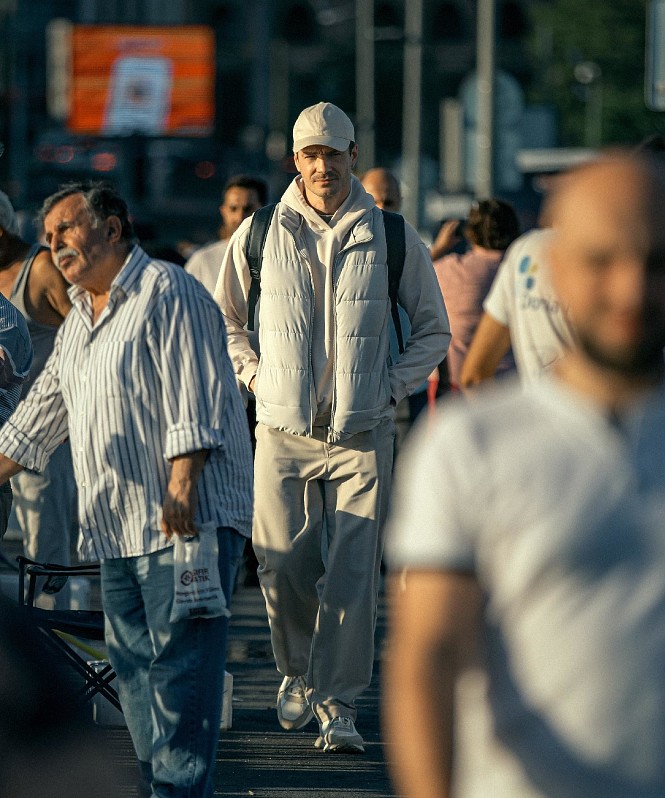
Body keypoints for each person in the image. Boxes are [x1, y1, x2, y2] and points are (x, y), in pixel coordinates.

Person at [383, 152, 665, 798]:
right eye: (601, 261)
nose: (630, 288)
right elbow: (427, 658)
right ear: (554, 270)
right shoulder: (471, 446)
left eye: (655, 262)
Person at [0, 181, 254, 798]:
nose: (53, 243)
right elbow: (37, 418)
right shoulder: (80, 320)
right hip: (117, 531)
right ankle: (159, 786)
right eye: (48, 233)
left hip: (184, 522)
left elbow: (196, 395)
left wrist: (182, 483)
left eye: (67, 228)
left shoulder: (168, 290)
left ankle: (177, 792)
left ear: (113, 228)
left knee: (182, 671)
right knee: (135, 672)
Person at [216, 101, 450, 753]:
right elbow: (225, 318)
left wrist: (390, 386)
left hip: (361, 432)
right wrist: (256, 378)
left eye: (333, 153)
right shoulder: (260, 231)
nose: (322, 166)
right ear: (295, 160)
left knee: (352, 574)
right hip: (282, 430)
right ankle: (296, 672)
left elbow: (434, 328)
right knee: (283, 562)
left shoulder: (392, 234)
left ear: (353, 156)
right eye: (310, 154)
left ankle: (338, 705)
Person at [0, 190, 76, 609]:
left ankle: (55, 648)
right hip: (3, 427)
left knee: (46, 547)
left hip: (43, 430)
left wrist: (74, 411)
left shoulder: (42, 269)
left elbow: (87, 335)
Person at [459, 225, 574, 389]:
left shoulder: (526, 249)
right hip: (596, 410)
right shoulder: (616, 260)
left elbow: (474, 376)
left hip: (535, 409)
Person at [433, 198, 520, 389]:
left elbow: (410, 276)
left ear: (471, 233)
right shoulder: (520, 271)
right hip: (509, 383)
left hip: (455, 380)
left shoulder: (449, 269)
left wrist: (439, 247)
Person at [185, 174, 268, 294]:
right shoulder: (202, 262)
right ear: (223, 211)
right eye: (233, 209)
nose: (240, 217)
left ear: (265, 211)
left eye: (248, 209)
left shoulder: (279, 258)